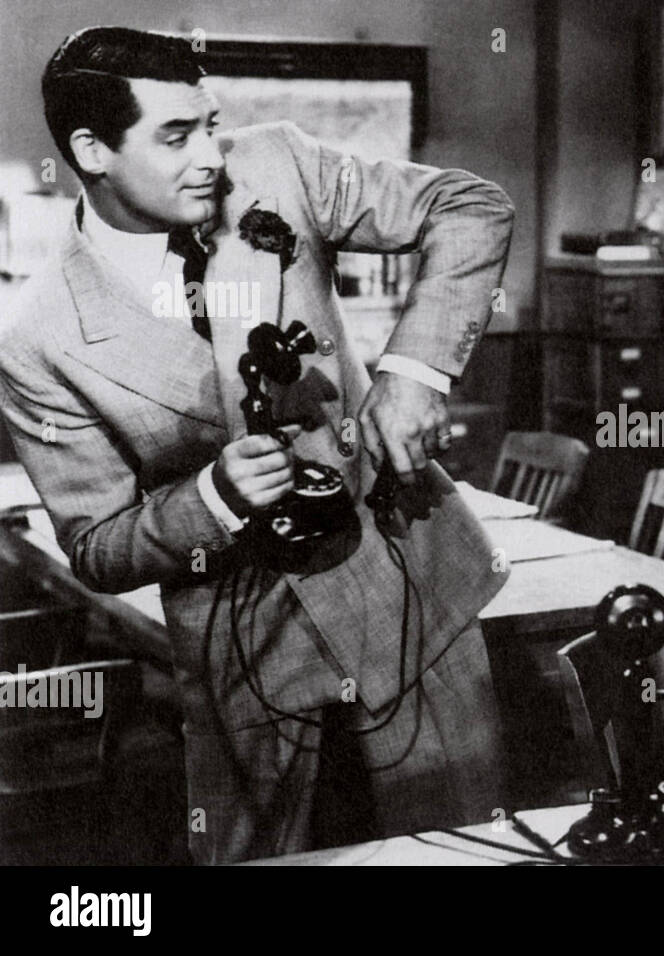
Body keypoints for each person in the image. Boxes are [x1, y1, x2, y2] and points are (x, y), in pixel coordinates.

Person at [0, 27, 514, 863]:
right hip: (241, 645)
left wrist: (417, 371)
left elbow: (471, 205)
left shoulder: (278, 164)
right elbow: (97, 547)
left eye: (209, 123)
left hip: (408, 596)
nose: (210, 155)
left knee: (462, 849)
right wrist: (213, 500)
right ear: (92, 151)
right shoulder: (41, 340)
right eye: (175, 136)